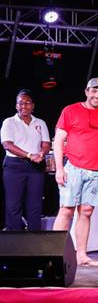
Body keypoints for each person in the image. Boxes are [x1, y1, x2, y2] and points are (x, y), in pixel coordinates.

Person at [52, 78, 98, 267]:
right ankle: (56, 253)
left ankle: (81, 254)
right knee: (66, 210)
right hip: (73, 167)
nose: (97, 95)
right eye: (93, 91)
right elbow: (59, 140)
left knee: (86, 212)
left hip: (96, 171)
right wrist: (59, 168)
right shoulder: (70, 110)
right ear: (86, 91)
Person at [1, 90, 50, 231]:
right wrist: (29, 155)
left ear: (33, 106)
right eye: (20, 103)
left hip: (35, 167)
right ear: (16, 106)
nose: (24, 106)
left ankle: (34, 241)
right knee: (13, 205)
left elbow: (46, 143)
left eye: (27, 103)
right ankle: (14, 241)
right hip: (14, 166)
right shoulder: (9, 122)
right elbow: (7, 145)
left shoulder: (40, 122)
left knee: (35, 205)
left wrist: (41, 153)